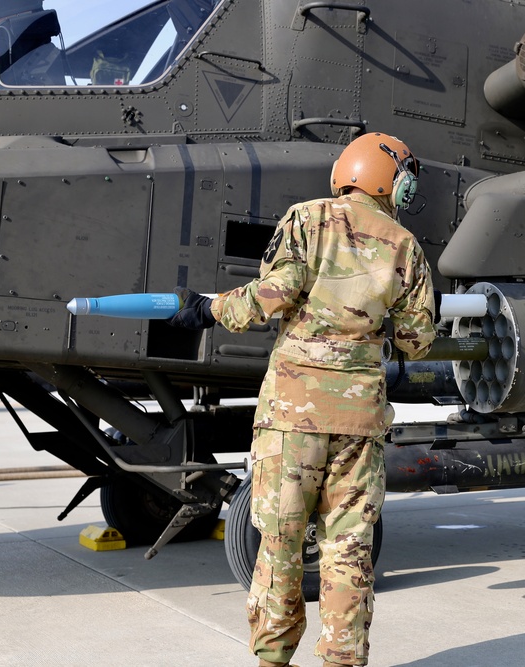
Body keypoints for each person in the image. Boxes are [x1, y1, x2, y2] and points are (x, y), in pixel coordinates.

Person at [167, 132, 437, 667]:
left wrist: (203, 308)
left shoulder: (308, 219)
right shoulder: (405, 246)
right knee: (348, 552)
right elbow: (418, 340)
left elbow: (268, 298)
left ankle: (272, 660)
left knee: (281, 546)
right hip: (359, 421)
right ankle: (342, 659)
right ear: (388, 180)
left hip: (293, 417)